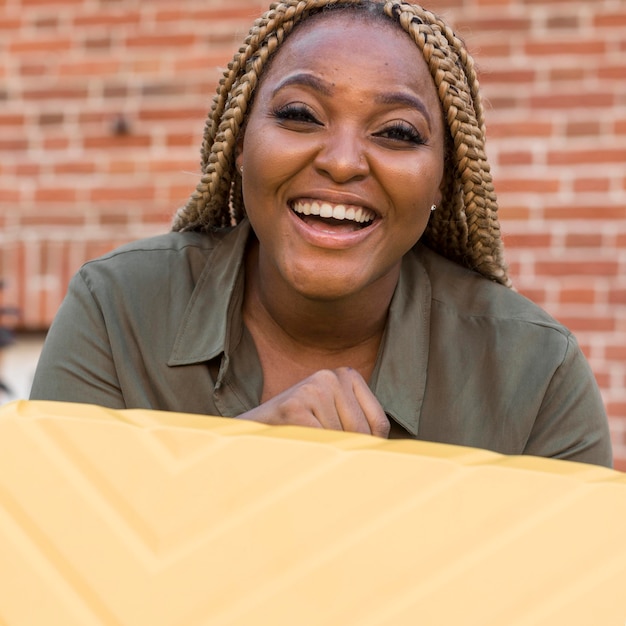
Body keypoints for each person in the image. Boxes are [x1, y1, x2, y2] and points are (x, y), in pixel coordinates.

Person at [30, 0, 613, 467]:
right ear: (238, 146)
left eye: (398, 133)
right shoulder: (117, 309)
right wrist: (234, 457)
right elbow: (50, 563)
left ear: (444, 181)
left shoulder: (536, 375)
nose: (341, 162)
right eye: (300, 116)